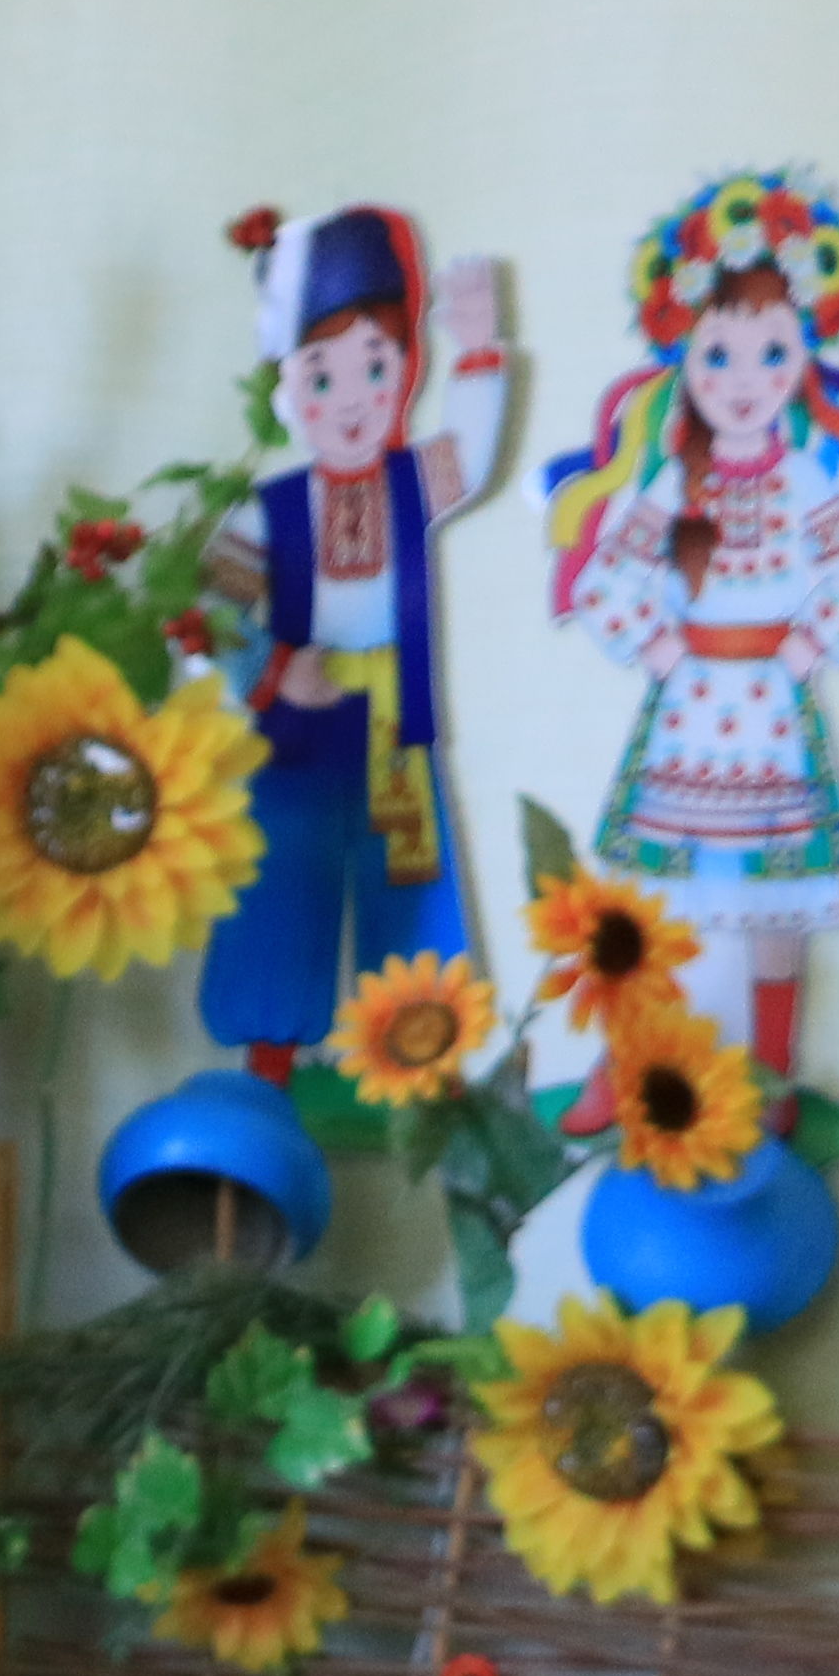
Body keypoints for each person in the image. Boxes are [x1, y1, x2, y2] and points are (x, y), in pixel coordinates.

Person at [540, 168, 839, 1078]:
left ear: (803, 358)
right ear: (683, 358)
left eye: (770, 353)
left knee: (774, 911)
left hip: (772, 721)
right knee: (659, 905)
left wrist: (814, 640)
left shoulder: (806, 480)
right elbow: (604, 578)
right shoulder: (673, 484)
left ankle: (775, 1073)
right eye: (718, 355)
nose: (744, 381)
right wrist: (652, 640)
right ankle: (633, 1067)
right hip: (687, 715)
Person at [199, 201, 513, 1071]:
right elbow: (205, 614)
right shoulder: (266, 509)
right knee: (278, 882)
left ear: (407, 371)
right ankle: (267, 1071)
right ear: (286, 387)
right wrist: (270, 671)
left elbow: (473, 457)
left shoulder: (414, 482)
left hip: (393, 724)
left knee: (407, 880)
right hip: (292, 731)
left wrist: (480, 351)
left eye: (375, 366)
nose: (349, 400)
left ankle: (422, 1065)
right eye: (321, 373)